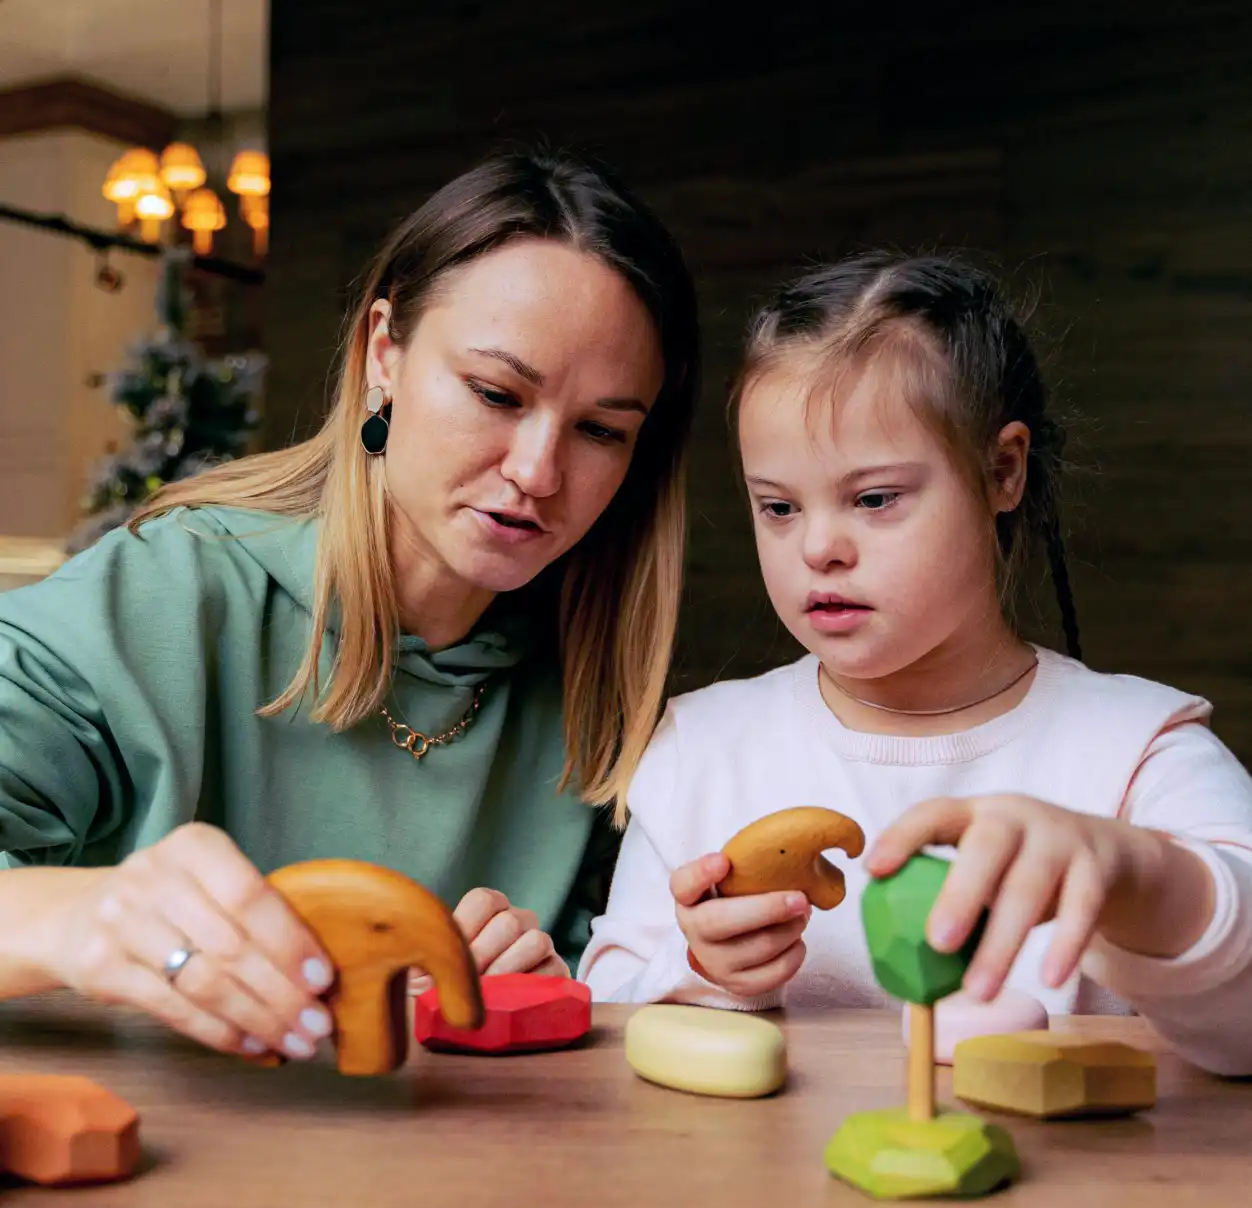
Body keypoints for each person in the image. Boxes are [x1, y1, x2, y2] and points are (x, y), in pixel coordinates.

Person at [0, 148, 700, 1065]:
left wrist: (535, 980)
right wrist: (87, 916)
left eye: (601, 431)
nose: (538, 472)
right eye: (495, 393)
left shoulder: (601, 695)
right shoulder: (169, 596)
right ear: (385, 354)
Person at [578, 251, 1252, 1077]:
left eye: (874, 499)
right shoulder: (701, 749)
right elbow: (605, 1010)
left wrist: (1138, 874)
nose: (819, 548)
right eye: (779, 507)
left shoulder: (1139, 748)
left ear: (1002, 471)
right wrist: (704, 973)